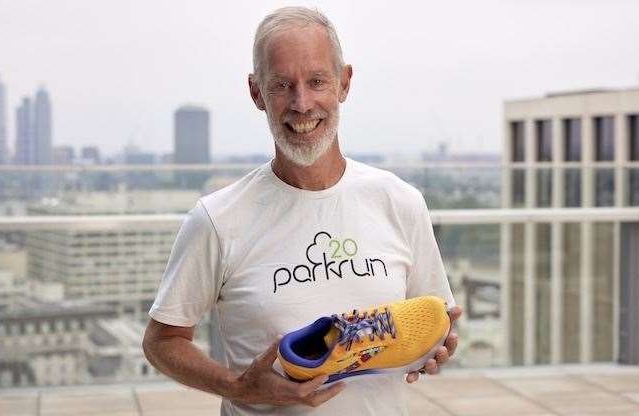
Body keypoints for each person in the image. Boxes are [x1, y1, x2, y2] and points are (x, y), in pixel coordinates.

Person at [143, 6, 461, 415]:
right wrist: (240, 386)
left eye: (316, 81)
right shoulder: (217, 220)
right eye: (281, 85)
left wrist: (440, 346)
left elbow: (432, 320)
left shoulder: (400, 201)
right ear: (256, 92)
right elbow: (162, 341)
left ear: (344, 83)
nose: (302, 103)